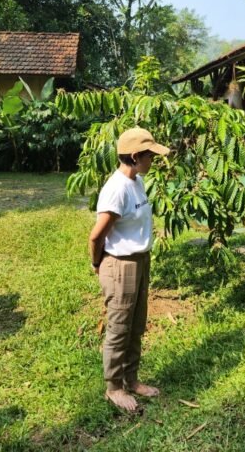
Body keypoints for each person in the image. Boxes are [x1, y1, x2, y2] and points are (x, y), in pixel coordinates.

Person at [89, 127, 170, 412]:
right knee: (119, 328)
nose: (153, 160)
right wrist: (97, 263)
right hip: (121, 264)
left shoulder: (136, 181)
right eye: (150, 155)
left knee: (136, 325)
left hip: (140, 260)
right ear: (135, 156)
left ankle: (132, 379)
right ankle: (114, 387)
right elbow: (96, 236)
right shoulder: (116, 189)